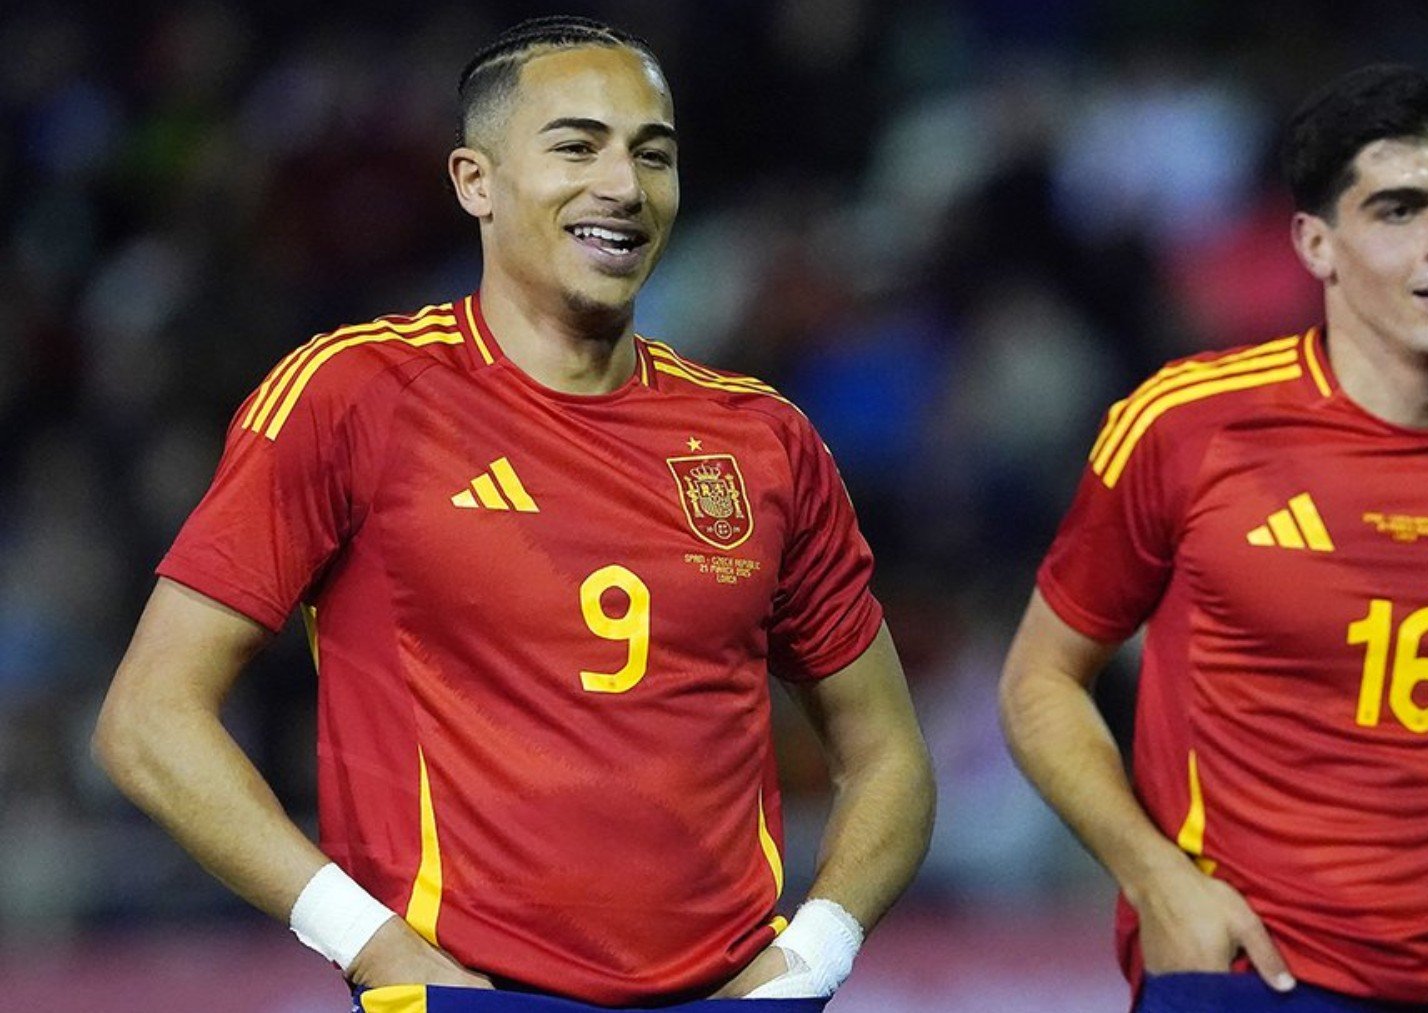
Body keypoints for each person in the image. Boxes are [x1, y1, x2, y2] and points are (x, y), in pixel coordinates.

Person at [92, 16, 934, 1013]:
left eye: (652, 155)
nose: (623, 185)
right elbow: (149, 719)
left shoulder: (763, 437)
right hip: (469, 993)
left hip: (733, 995)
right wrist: (374, 946)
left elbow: (890, 757)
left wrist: (815, 954)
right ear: (474, 181)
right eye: (576, 146)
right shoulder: (356, 394)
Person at [999, 63, 1428, 1013]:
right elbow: (1040, 677)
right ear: (1317, 243)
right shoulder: (1187, 425)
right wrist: (1153, 877)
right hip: (1245, 977)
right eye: (1399, 210)